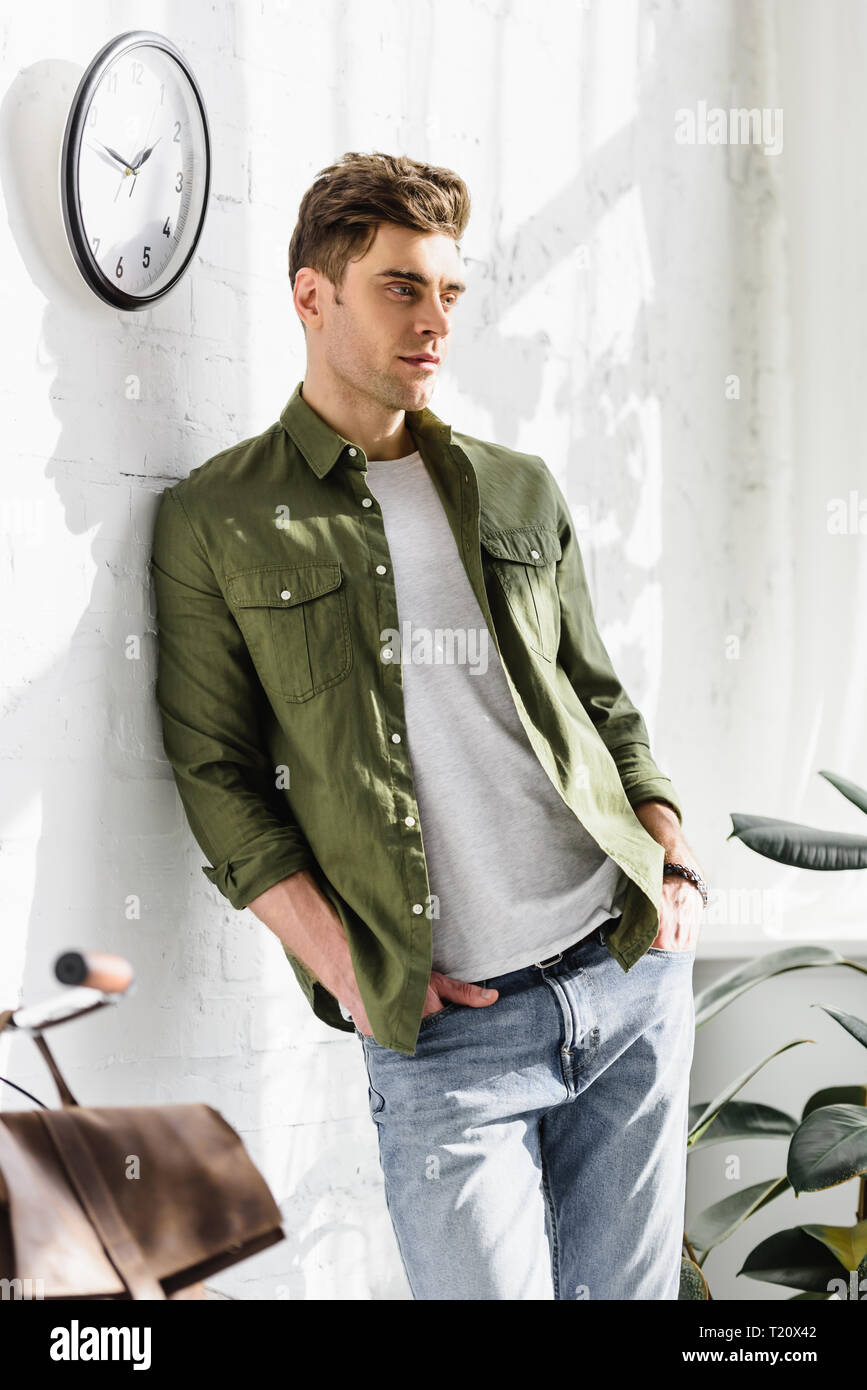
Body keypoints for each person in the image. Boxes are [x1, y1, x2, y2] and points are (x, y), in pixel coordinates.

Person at [150, 150, 708, 1300]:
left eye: (450, 291)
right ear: (314, 297)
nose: (436, 321)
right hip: (448, 1034)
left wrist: (675, 858)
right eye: (402, 286)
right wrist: (348, 968)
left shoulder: (518, 487)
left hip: (623, 971)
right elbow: (216, 773)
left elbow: (600, 699)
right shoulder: (220, 518)